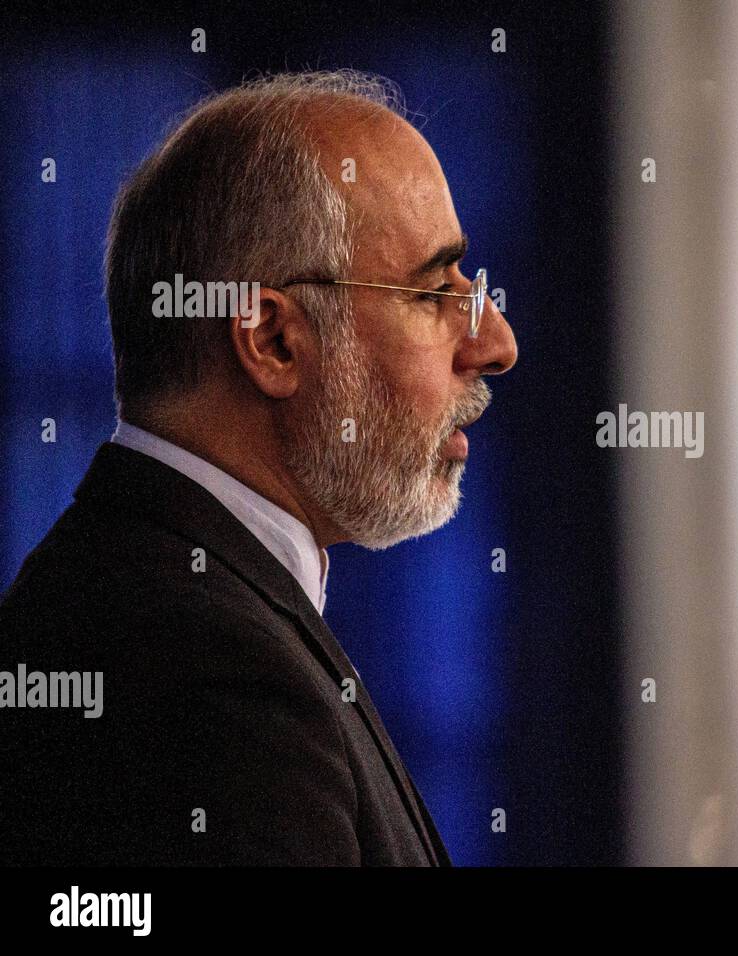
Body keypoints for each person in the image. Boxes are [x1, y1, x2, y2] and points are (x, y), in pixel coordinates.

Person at [0, 70, 517, 865]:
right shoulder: (207, 669)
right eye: (429, 292)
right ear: (273, 342)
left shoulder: (152, 593)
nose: (494, 343)